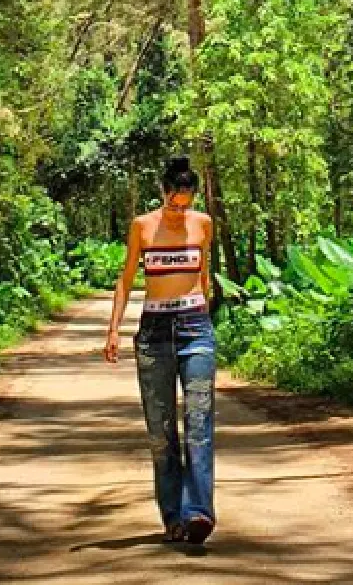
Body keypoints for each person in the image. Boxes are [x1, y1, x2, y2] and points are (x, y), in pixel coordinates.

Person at [103, 155, 217, 545]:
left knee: (199, 425)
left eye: (185, 205)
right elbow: (126, 279)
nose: (178, 212)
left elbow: (204, 277)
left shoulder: (203, 225)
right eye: (173, 203)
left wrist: (206, 310)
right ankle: (173, 516)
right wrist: (114, 330)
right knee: (161, 431)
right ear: (164, 192)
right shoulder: (141, 227)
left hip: (196, 330)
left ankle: (199, 513)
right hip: (153, 334)